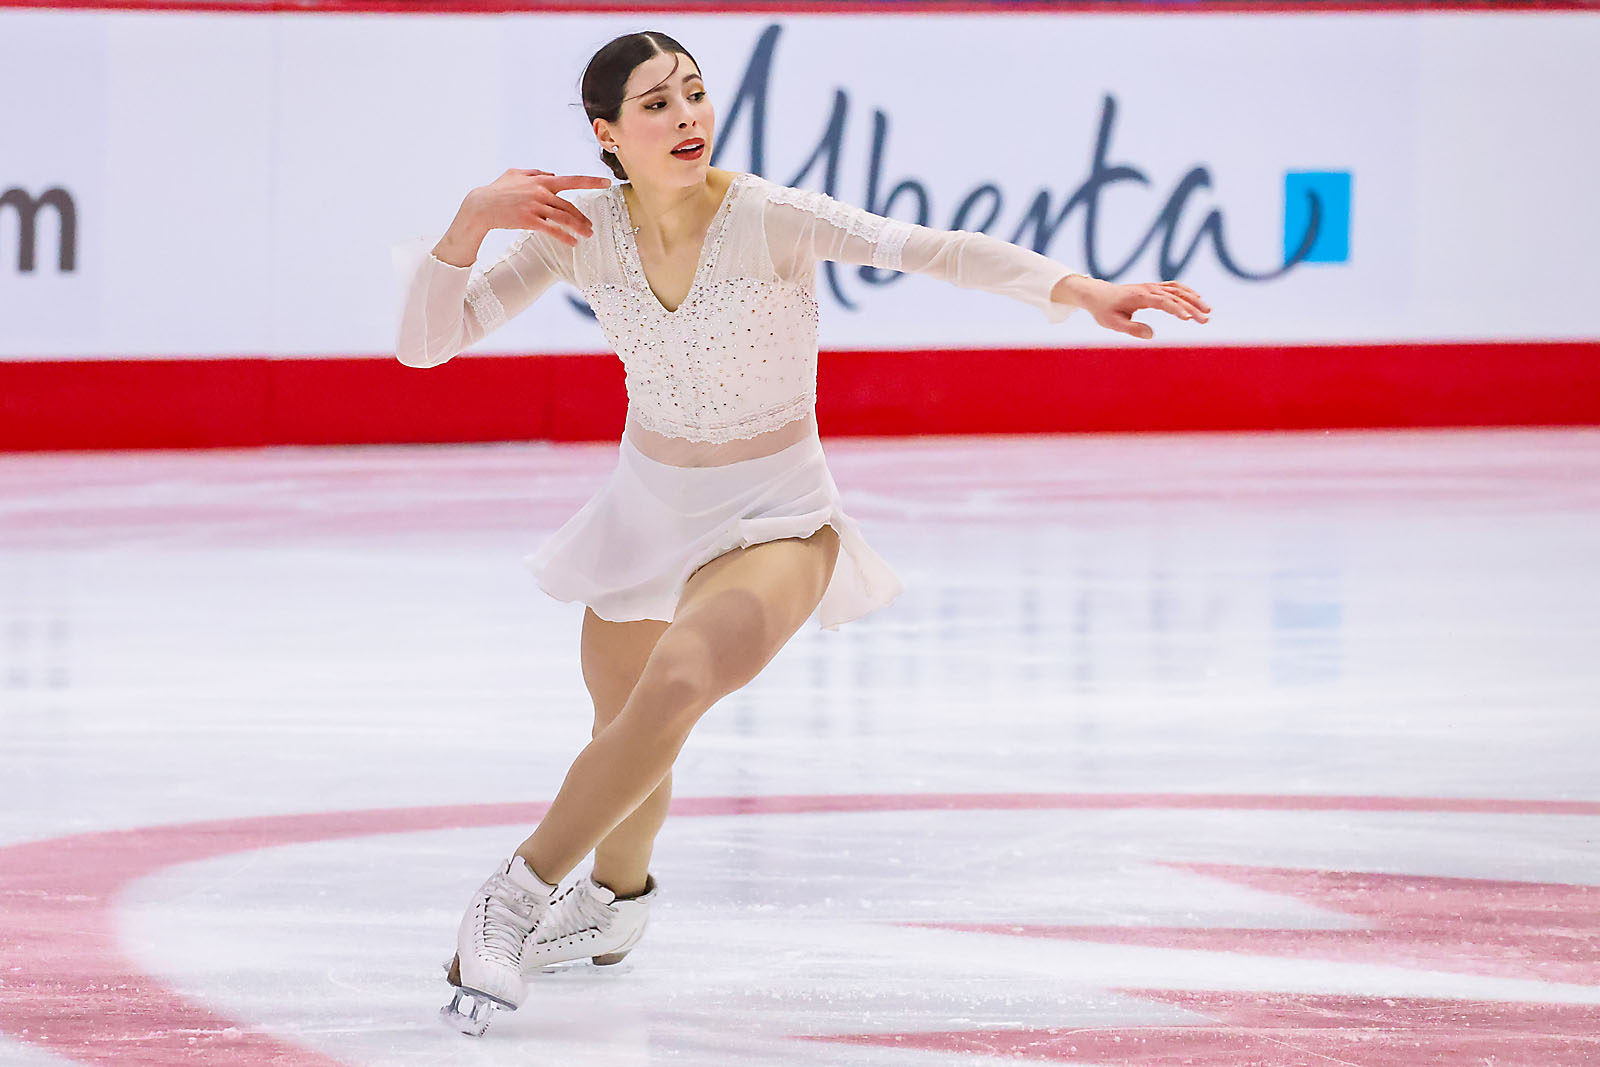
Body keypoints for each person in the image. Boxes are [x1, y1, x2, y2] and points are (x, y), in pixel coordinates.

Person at [393, 30, 1211, 1036]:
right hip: (644, 510)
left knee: (677, 682)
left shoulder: (768, 216)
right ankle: (613, 903)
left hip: (774, 513)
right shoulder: (578, 230)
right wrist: (470, 223)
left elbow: (935, 249)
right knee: (628, 733)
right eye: (656, 104)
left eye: (695, 93)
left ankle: (510, 899)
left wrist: (1081, 290)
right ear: (607, 134)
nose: (688, 116)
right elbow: (426, 345)